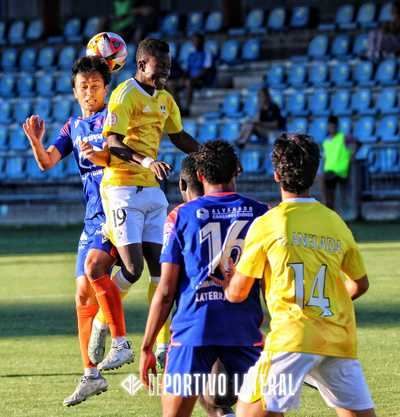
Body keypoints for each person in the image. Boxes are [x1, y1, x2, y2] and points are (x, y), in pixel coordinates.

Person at [221, 133, 376, 417]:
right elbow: (360, 284)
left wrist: (229, 279)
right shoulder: (335, 222)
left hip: (292, 338)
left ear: (277, 174)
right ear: (315, 174)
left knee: (248, 411)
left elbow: (237, 293)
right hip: (338, 340)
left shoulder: (269, 223)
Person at [23, 56, 132, 406]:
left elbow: (124, 156)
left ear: (106, 88)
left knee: (94, 271)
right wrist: (36, 141)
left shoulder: (112, 119)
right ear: (74, 91)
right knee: (82, 296)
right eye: (83, 87)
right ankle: (90, 374)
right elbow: (46, 163)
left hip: (116, 210)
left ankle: (120, 341)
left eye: (95, 86)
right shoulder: (72, 126)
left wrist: (102, 153)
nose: (89, 93)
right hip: (91, 217)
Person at [139, 140, 268, 417]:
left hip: (193, 330)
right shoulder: (262, 214)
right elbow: (272, 281)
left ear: (199, 176)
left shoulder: (181, 216)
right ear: (238, 170)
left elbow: (165, 291)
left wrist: (147, 346)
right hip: (244, 329)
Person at [98, 38, 199, 368]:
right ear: (141, 65)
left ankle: (161, 345)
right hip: (122, 187)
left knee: (162, 272)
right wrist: (145, 162)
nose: (164, 76)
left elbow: (179, 136)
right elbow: (112, 141)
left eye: (168, 70)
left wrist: (210, 156)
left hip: (152, 191)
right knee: (132, 268)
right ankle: (104, 323)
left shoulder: (166, 100)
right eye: (159, 70)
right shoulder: (125, 94)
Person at [321, 115, 353, 211]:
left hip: (340, 171)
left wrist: (351, 156)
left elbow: (355, 145)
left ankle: (329, 208)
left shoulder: (344, 137)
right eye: (330, 126)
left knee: (323, 182)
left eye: (333, 126)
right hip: (329, 171)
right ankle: (329, 208)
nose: (331, 128)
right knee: (329, 192)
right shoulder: (326, 141)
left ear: (337, 127)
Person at [184, 33, 216, 115]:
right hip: (190, 78)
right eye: (194, 41)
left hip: (202, 80)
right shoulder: (191, 55)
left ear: (202, 42)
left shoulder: (207, 54)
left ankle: (187, 108)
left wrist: (193, 78)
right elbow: (187, 70)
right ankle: (177, 108)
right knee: (171, 84)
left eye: (198, 41)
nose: (196, 43)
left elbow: (206, 70)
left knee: (189, 82)